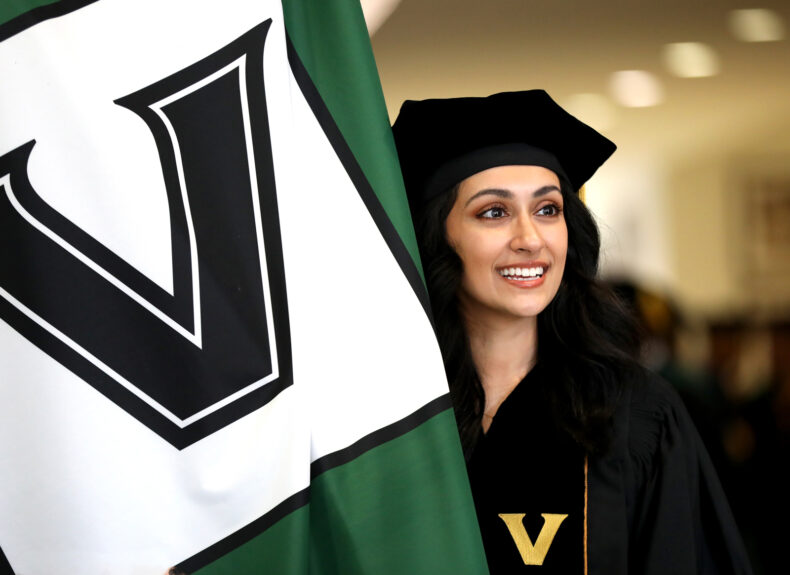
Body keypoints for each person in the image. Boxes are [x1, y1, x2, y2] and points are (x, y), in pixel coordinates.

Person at [391, 90, 753, 574]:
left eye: (548, 210)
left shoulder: (636, 414)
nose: (530, 239)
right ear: (438, 237)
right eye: (493, 212)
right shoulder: (386, 417)